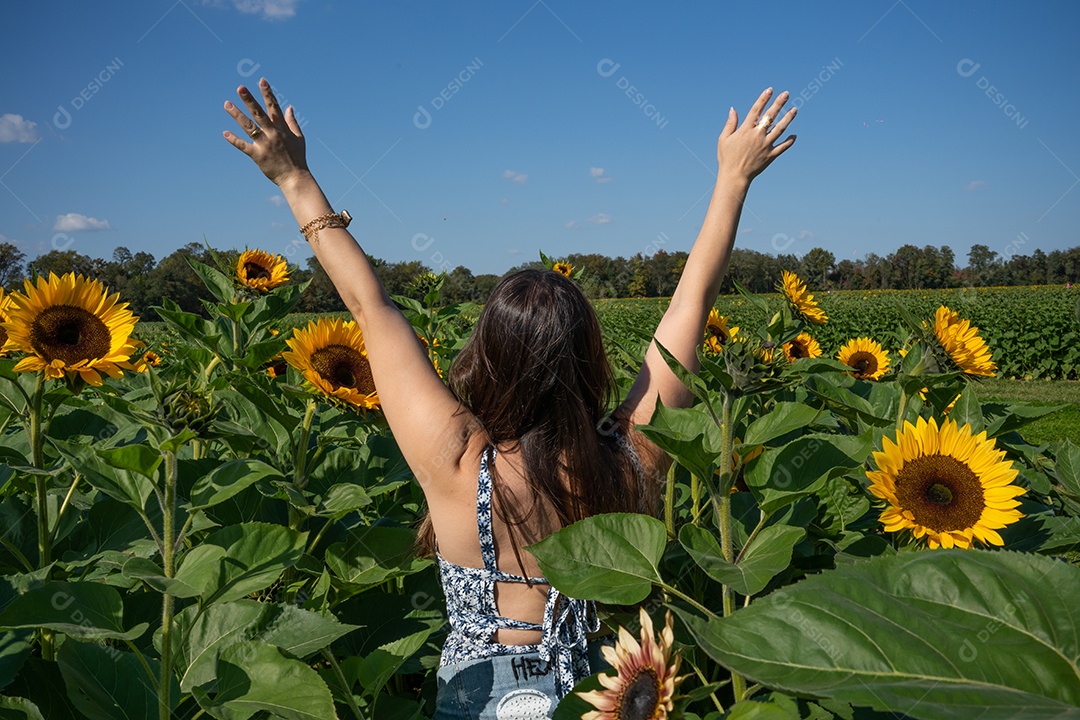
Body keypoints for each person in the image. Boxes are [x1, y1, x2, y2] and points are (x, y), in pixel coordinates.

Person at [222, 80, 796, 718]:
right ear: (592, 360)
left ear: (486, 360)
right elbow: (692, 304)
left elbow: (370, 307)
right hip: (597, 698)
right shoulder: (628, 460)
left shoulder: (457, 462)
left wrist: (294, 179)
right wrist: (733, 178)